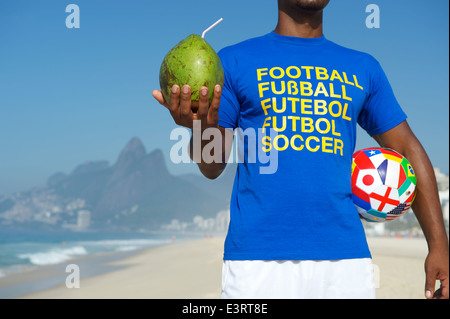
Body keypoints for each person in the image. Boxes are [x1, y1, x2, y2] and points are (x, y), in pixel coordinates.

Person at [153, 0, 449, 299]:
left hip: (346, 261)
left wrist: (439, 245)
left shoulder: (363, 67)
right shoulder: (232, 61)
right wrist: (199, 126)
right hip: (256, 260)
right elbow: (212, 166)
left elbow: (408, 149)